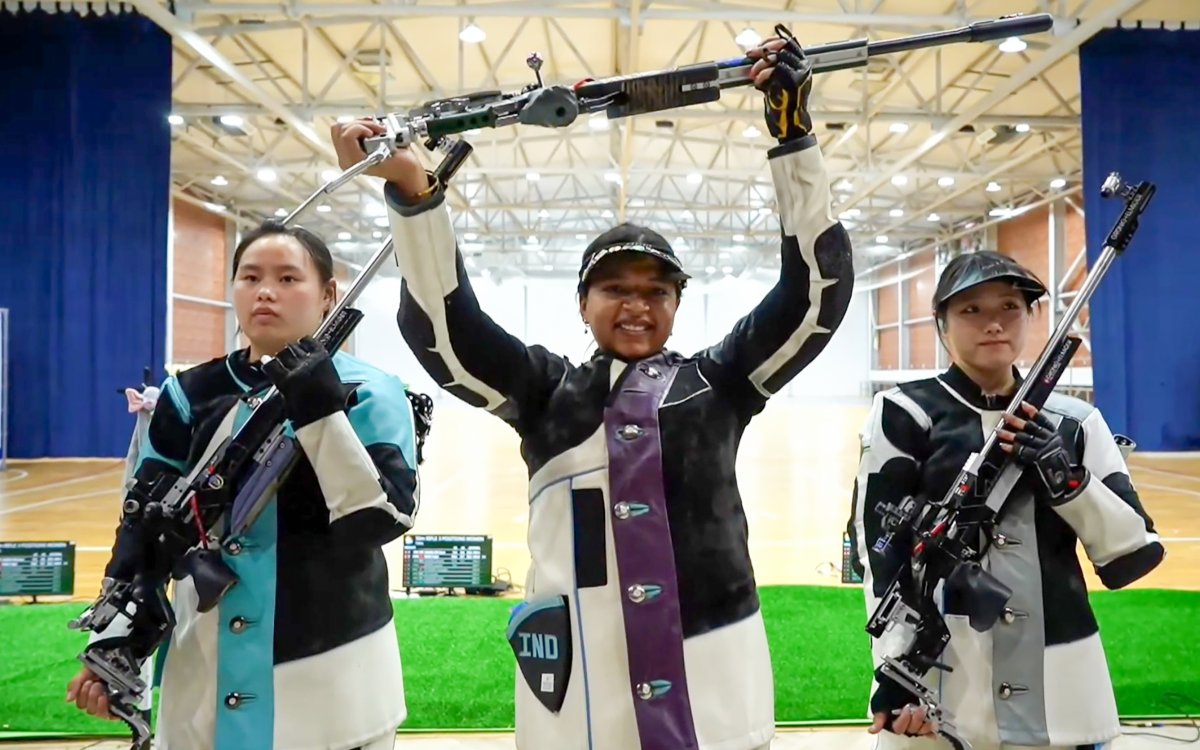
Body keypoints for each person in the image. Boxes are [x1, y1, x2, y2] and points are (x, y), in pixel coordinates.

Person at [331, 30, 853, 750]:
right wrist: (414, 193)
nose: (637, 305)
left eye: (657, 291)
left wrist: (794, 138)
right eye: (615, 288)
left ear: (677, 305)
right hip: (579, 699)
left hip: (715, 686)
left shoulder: (722, 383)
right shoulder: (544, 392)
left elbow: (814, 294)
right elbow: (447, 332)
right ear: (583, 302)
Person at [66, 222, 426, 750]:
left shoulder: (371, 392)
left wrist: (320, 409)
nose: (265, 291)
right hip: (203, 669)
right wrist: (115, 647)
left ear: (328, 296)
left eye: (287, 278)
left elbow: (380, 519)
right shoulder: (189, 394)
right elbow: (144, 524)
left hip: (333, 675)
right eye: (250, 277)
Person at [848, 250, 1165, 750]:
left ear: (1030, 318)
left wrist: (1068, 482)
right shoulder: (903, 413)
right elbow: (879, 549)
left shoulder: (1075, 423)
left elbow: (1133, 554)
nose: (993, 323)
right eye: (971, 310)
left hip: (1061, 686)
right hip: (939, 684)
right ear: (941, 324)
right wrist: (895, 668)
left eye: (1010, 307)